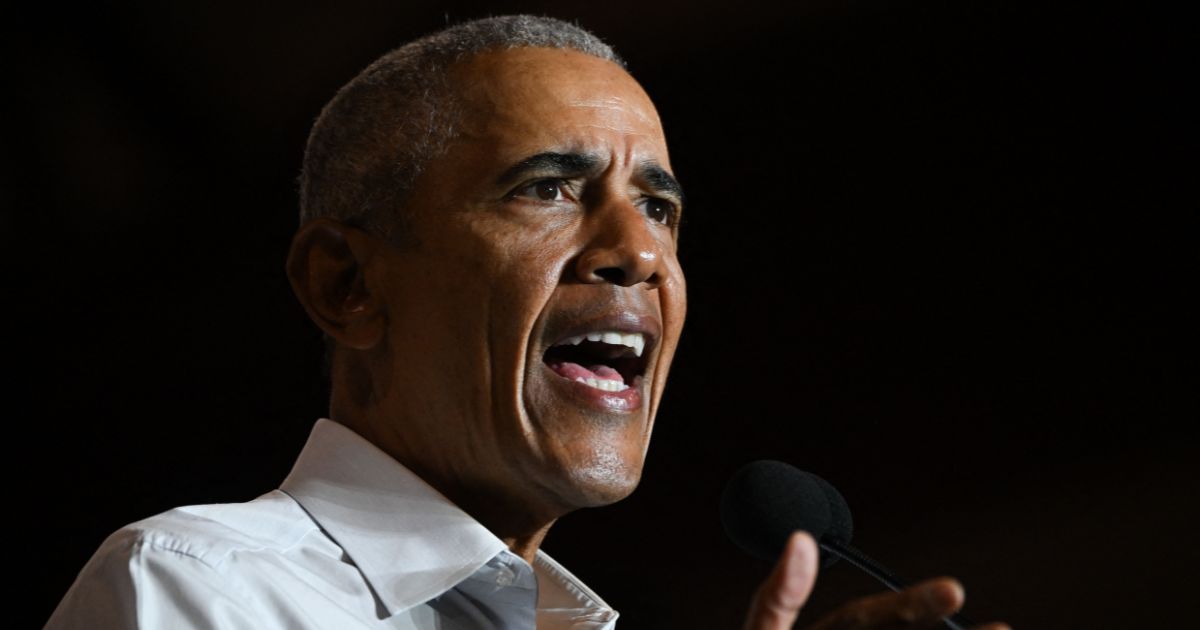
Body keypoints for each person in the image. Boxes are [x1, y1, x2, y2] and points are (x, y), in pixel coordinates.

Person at [47, 15, 1006, 630]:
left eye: (661, 208)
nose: (639, 252)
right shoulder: (203, 590)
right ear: (346, 286)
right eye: (549, 189)